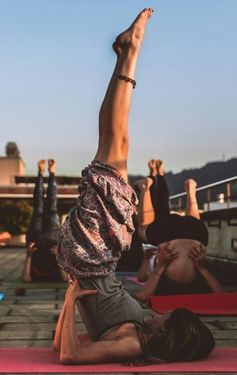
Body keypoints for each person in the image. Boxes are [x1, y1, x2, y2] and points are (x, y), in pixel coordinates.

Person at [54, 9, 215, 365]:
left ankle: (130, 52)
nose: (163, 312)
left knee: (113, 144)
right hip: (100, 257)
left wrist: (70, 296)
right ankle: (128, 54)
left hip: (90, 255)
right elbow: (62, 345)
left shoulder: (133, 345)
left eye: (168, 316)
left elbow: (67, 355)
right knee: (118, 145)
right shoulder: (137, 330)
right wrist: (72, 300)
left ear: (169, 333)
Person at [134, 166, 224, 302]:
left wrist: (161, 265)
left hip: (196, 236)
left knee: (193, 223)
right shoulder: (166, 285)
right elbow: (143, 296)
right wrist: (200, 267)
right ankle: (145, 188)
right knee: (144, 228)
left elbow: (143, 296)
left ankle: (191, 190)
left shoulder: (195, 283)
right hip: (168, 237)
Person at [22, 159, 67, 283]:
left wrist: (29, 254)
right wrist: (59, 256)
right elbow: (65, 278)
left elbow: (25, 279)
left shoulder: (34, 275)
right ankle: (51, 173)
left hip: (35, 240)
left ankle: (41, 174)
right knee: (51, 206)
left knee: (39, 206)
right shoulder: (56, 276)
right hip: (52, 239)